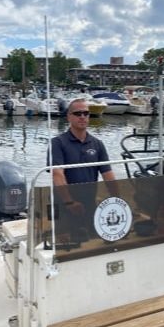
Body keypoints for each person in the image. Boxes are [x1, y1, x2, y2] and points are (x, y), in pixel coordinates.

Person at [47, 98, 116, 240]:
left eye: (86, 113)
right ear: (69, 117)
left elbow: (108, 174)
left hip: (89, 202)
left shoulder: (98, 144)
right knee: (65, 245)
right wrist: (69, 202)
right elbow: (57, 174)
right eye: (78, 113)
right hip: (63, 203)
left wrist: (117, 199)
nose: (83, 117)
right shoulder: (57, 143)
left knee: (93, 241)